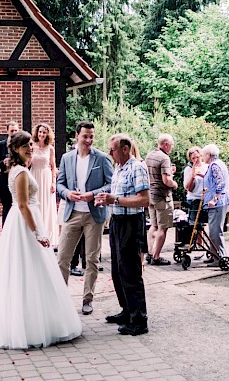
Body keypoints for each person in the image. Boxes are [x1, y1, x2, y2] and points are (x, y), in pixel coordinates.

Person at [0, 131, 83, 348]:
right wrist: (38, 233)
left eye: (31, 145)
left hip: (21, 220)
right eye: (25, 146)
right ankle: (31, 325)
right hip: (26, 223)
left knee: (27, 269)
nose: (29, 148)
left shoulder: (18, 169)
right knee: (29, 268)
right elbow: (23, 205)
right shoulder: (21, 173)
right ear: (15, 149)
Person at [55, 121, 114, 315]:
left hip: (93, 215)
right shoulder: (66, 158)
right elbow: (59, 184)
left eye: (91, 136)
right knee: (62, 258)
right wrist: (67, 194)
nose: (88, 140)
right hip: (72, 213)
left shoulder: (102, 158)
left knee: (92, 259)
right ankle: (60, 299)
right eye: (85, 136)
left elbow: (111, 184)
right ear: (77, 136)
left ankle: (87, 300)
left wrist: (93, 194)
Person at [95, 133, 150, 336]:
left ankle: (139, 319)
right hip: (117, 221)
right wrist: (105, 199)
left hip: (131, 223)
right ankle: (127, 310)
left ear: (125, 149)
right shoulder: (119, 167)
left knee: (131, 271)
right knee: (118, 270)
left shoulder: (137, 167)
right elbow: (116, 195)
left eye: (113, 149)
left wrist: (115, 200)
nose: (110, 152)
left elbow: (144, 200)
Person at [145, 134, 178, 266]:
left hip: (151, 196)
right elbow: (166, 180)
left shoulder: (150, 155)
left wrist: (170, 172)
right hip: (163, 197)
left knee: (154, 225)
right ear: (165, 144)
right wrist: (174, 183)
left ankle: (149, 251)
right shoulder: (164, 158)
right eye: (171, 145)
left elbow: (154, 175)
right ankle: (156, 256)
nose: (172, 147)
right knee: (163, 228)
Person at [201, 144, 229, 264]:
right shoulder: (218, 163)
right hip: (220, 202)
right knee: (213, 229)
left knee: (215, 230)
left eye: (204, 155)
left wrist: (214, 199)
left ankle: (220, 257)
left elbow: (221, 183)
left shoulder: (214, 165)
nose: (203, 157)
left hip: (217, 203)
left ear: (209, 155)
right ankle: (213, 255)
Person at [30, 123, 58, 247]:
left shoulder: (50, 148)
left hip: (46, 177)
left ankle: (46, 234)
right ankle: (34, 233)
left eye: (44, 132)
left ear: (47, 134)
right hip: (34, 175)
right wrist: (31, 152)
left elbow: (53, 166)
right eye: (40, 132)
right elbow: (27, 163)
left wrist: (53, 183)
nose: (41, 134)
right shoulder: (32, 146)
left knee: (45, 205)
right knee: (35, 203)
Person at [0, 121, 21, 225]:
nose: (14, 133)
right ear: (7, 131)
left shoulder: (22, 145)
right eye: (12, 131)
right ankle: (5, 230)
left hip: (18, 178)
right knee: (6, 205)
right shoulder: (0, 145)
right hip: (5, 178)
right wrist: (4, 162)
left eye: (16, 130)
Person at [183, 146, 207, 249]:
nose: (196, 160)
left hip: (205, 198)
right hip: (193, 198)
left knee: (203, 223)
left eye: (197, 157)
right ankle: (197, 244)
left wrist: (202, 176)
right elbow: (188, 188)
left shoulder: (207, 167)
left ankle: (201, 245)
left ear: (201, 156)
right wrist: (193, 176)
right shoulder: (188, 169)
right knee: (194, 223)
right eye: (193, 158)